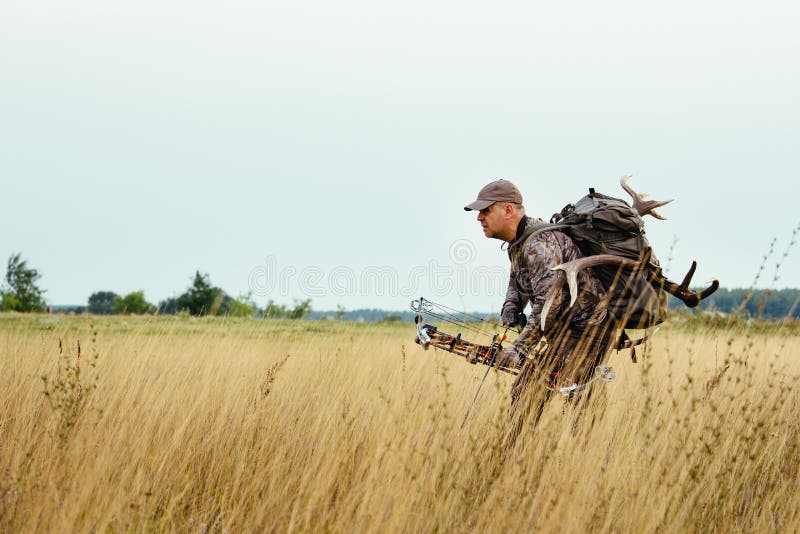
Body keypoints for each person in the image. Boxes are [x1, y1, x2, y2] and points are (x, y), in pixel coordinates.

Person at [464, 179, 621, 433]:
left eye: (485, 210)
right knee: (568, 394)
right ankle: (579, 456)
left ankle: (522, 458)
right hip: (571, 332)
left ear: (508, 210)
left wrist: (518, 349)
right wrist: (511, 305)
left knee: (534, 393)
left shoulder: (540, 245)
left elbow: (549, 304)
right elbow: (517, 279)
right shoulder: (520, 242)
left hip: (588, 330)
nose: (479, 217)